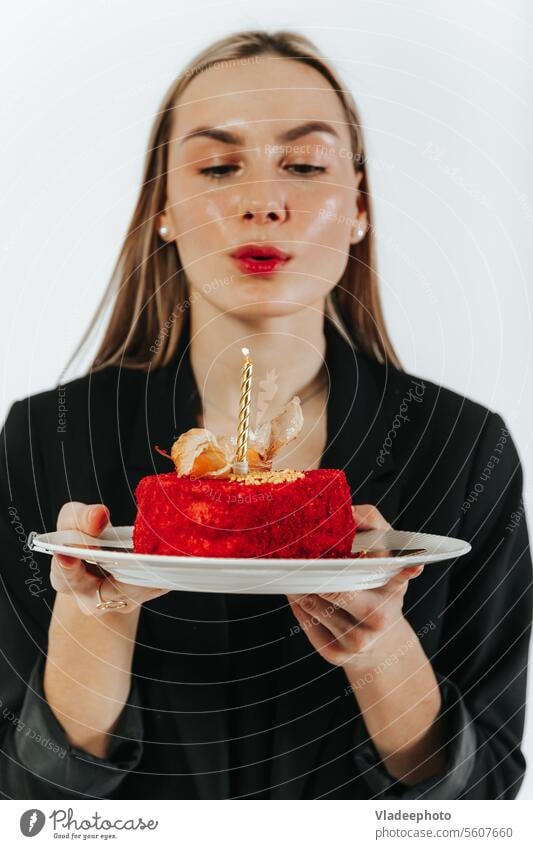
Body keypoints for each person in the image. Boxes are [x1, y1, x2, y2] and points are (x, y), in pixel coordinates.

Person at [0, 30, 531, 801]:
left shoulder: (460, 446)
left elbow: (481, 799)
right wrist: (96, 616)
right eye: (218, 166)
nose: (262, 202)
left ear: (358, 208)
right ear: (163, 210)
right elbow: (24, 801)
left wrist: (381, 651)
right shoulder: (45, 440)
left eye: (305, 165)